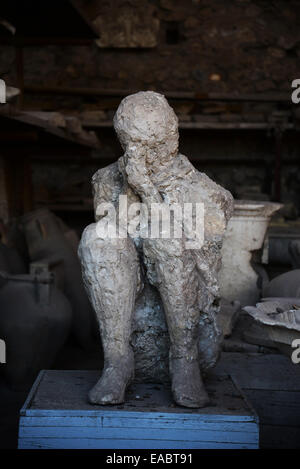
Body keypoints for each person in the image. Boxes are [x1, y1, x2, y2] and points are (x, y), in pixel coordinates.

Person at [78, 91, 233, 408]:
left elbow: (204, 267)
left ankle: (183, 360)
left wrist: (148, 192)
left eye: (153, 145)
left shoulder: (205, 192)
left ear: (172, 137)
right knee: (98, 236)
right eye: (132, 144)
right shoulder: (107, 180)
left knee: (165, 236)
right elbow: (112, 254)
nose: (142, 154)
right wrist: (132, 191)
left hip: (184, 322)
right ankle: (118, 361)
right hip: (134, 311)